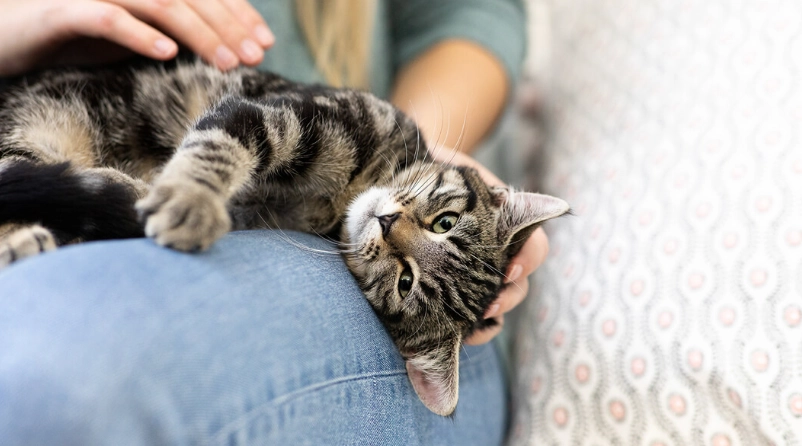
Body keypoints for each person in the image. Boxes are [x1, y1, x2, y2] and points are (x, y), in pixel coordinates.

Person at [0, 1, 545, 444]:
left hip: (323, 268)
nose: (394, 228)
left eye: (406, 273)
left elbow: (467, 15)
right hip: (107, 134)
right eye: (439, 223)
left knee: (56, 377)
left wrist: (431, 149)